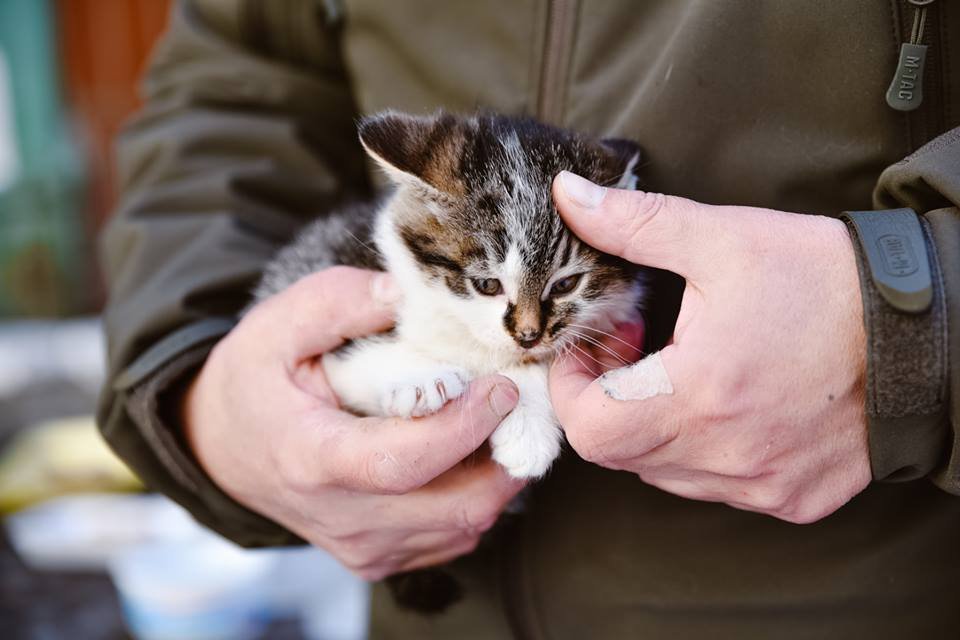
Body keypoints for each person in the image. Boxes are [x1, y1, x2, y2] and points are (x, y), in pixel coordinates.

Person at [98, 1, 960, 637]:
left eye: (555, 301)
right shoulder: (413, 249)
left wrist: (907, 327)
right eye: (492, 294)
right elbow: (234, 81)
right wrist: (196, 389)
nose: (527, 331)